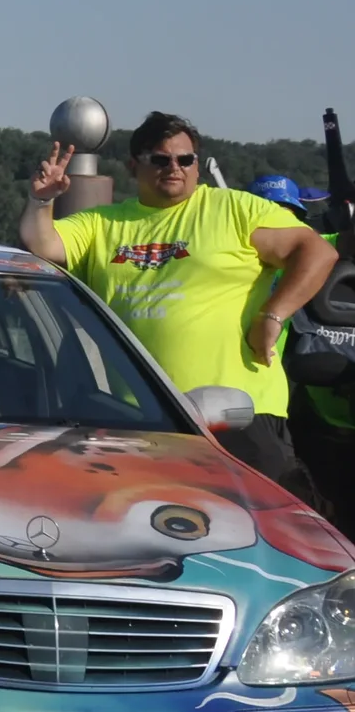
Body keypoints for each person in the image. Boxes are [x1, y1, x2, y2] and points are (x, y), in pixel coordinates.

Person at [24, 110, 335, 496]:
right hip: (138, 420)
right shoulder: (102, 223)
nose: (175, 167)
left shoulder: (236, 209)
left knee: (267, 535)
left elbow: (316, 252)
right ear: (133, 165)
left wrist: (273, 315)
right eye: (161, 158)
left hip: (240, 417)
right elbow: (43, 244)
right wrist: (41, 201)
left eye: (185, 159)